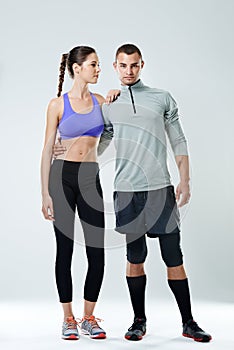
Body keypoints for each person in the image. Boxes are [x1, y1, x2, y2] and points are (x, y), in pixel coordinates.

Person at [53, 44, 212, 343]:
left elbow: (178, 139)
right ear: (115, 66)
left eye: (134, 65)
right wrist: (69, 156)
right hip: (125, 192)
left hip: (160, 189)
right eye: (123, 66)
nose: (129, 71)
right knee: (135, 257)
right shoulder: (108, 103)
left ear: (142, 65)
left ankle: (189, 322)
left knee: (173, 256)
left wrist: (185, 180)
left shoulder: (161, 98)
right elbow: (100, 140)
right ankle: (138, 321)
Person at [40, 45, 118, 340]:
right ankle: (68, 318)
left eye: (98, 65)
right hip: (61, 178)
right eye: (94, 64)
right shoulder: (57, 105)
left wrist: (114, 97)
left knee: (96, 251)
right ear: (77, 68)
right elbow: (47, 149)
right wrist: (44, 194)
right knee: (65, 250)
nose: (99, 69)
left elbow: (109, 134)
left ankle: (88, 317)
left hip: (90, 177)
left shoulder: (100, 101)